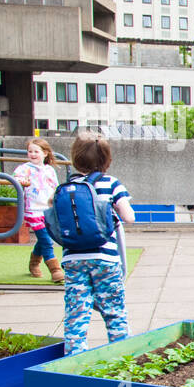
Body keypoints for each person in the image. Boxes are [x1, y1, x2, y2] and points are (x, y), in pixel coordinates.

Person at [61, 130, 136, 355]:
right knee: (114, 311)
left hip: (73, 259)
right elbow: (129, 217)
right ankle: (121, 357)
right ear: (106, 159)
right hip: (105, 259)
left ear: (75, 157)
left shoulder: (68, 185)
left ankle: (74, 360)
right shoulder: (111, 184)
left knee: (76, 314)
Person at [13, 137, 63, 284]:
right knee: (46, 240)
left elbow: (55, 188)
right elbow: (15, 178)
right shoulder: (24, 168)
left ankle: (34, 262)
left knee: (43, 239)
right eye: (30, 151)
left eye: (36, 151)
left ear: (45, 153)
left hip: (47, 210)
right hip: (33, 210)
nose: (33, 154)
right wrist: (20, 181)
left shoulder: (49, 170)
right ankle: (55, 270)